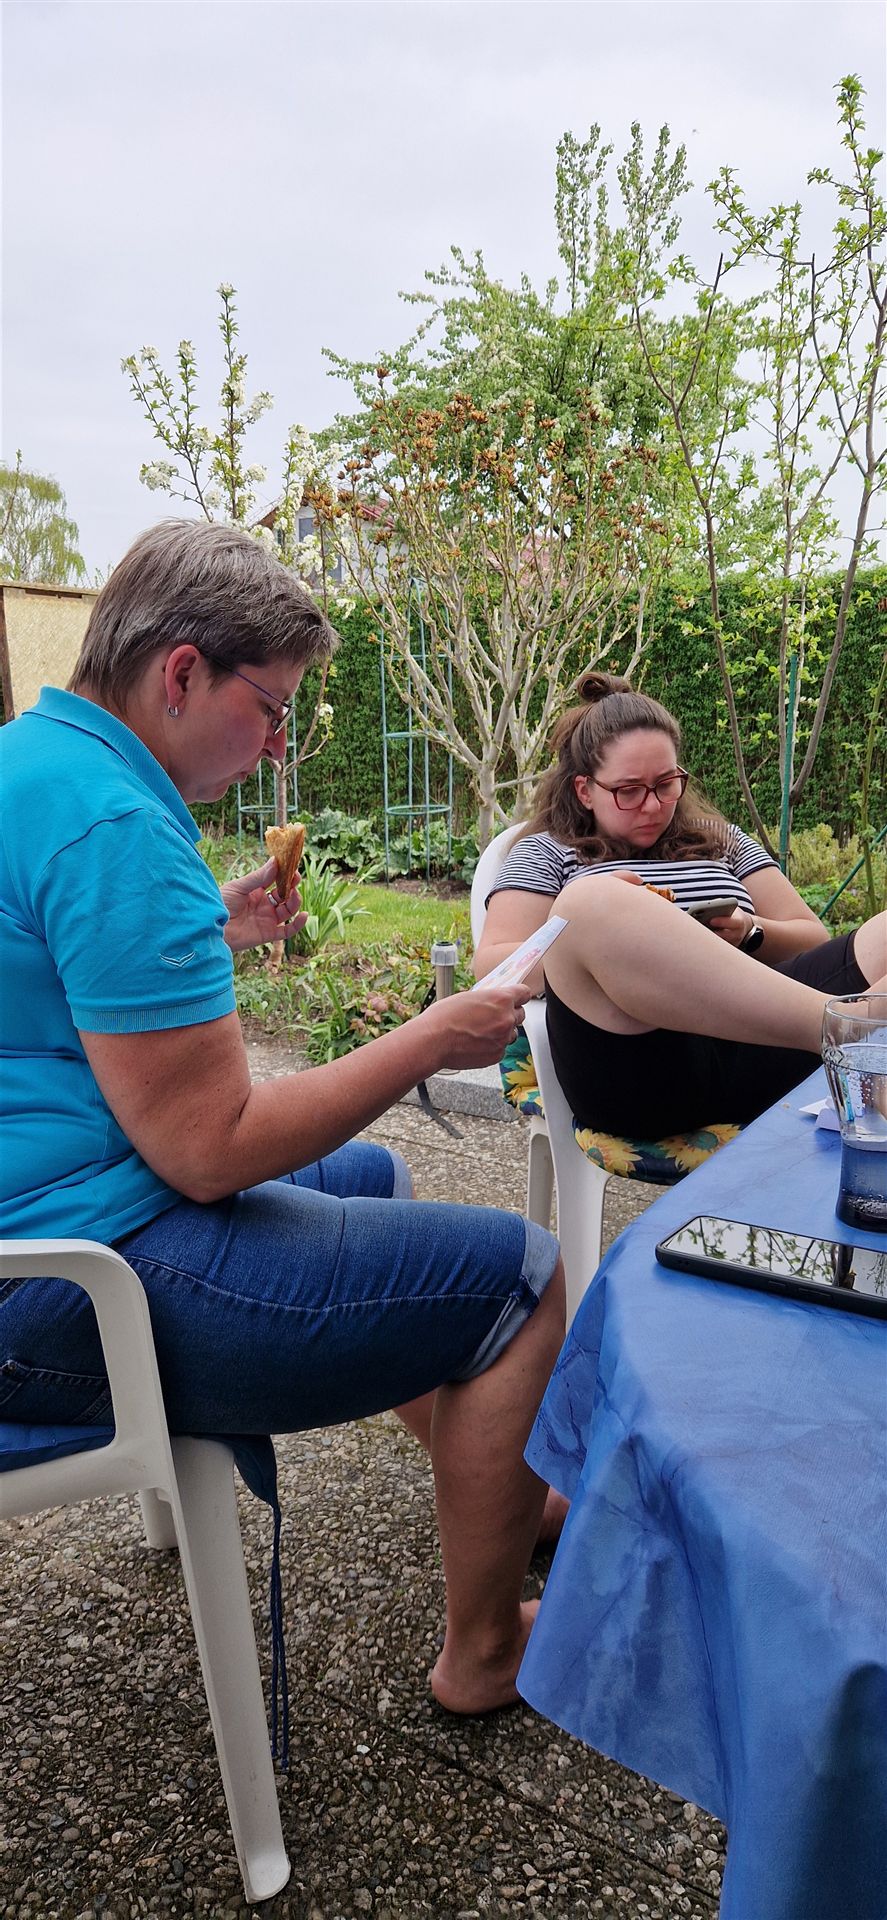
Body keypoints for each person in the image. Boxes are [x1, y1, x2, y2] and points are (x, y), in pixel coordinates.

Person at [0, 518, 567, 1717]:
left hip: (38, 1215)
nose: (273, 748)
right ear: (181, 672)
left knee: (366, 1177)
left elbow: (46, 969)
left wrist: (209, 923)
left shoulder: (33, 765)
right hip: (61, 1282)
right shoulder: (117, 824)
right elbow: (211, 1150)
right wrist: (431, 1036)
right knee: (519, 1276)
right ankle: (484, 1654)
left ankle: (496, 1481)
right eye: (269, 709)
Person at [474, 671, 886, 1140]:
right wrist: (606, 934)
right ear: (585, 790)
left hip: (761, 1042)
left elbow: (812, 935)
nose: (653, 806)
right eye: (629, 791)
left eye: (666, 784)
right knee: (585, 904)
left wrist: (750, 931)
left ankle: (849, 1032)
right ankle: (848, 1030)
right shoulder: (548, 851)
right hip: (643, 1072)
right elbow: (492, 968)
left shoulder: (721, 840)